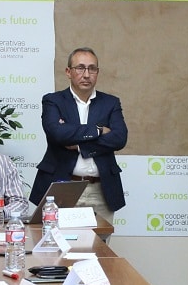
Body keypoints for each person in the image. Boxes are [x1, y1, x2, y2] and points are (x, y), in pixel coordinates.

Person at [30, 47, 129, 222]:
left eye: (92, 69)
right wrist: (98, 130)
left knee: (100, 239)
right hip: (62, 187)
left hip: (101, 190)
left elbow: (119, 138)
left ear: (97, 72)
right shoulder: (53, 101)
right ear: (68, 72)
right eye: (80, 68)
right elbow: (57, 134)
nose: (86, 74)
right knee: (57, 239)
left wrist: (79, 144)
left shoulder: (110, 103)